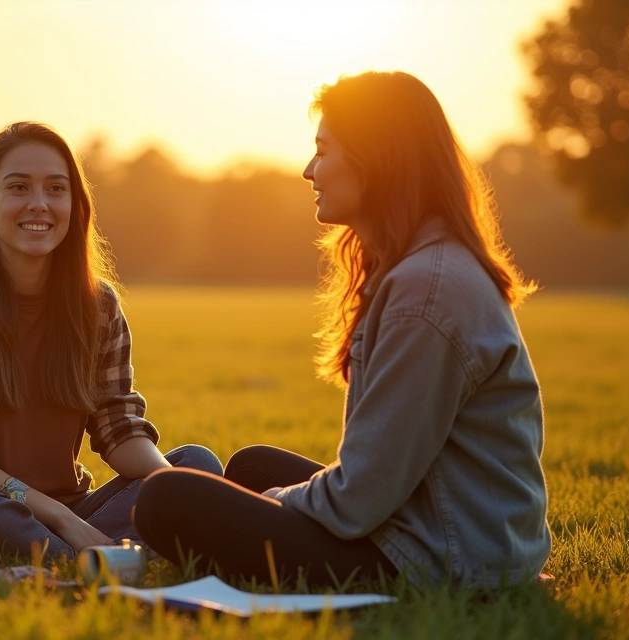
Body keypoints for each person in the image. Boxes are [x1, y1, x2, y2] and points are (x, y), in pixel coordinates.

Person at [133, 71, 551, 589]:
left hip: (444, 556)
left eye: (324, 151)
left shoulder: (426, 289)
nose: (310, 171)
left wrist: (273, 505)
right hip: (445, 527)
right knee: (251, 466)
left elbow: (361, 495)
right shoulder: (422, 266)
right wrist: (276, 499)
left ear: (377, 160)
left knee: (165, 498)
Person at [0, 121, 222, 560]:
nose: (39, 204)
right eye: (20, 187)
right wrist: (62, 520)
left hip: (72, 510)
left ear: (75, 204)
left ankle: (91, 554)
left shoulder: (98, 306)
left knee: (195, 466)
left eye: (56, 189)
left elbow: (117, 425)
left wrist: (172, 491)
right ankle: (106, 555)